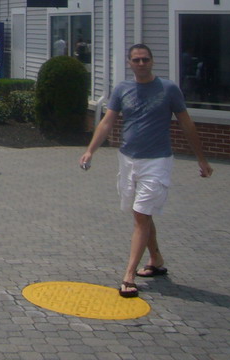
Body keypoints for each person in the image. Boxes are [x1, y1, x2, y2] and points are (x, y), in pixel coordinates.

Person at [80, 43, 213, 298]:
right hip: (128, 160)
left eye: (145, 59)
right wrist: (90, 150)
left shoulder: (168, 89)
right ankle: (156, 260)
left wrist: (201, 160)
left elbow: (186, 124)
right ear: (130, 63)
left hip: (157, 161)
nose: (141, 64)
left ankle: (128, 275)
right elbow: (107, 122)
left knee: (141, 214)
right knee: (141, 214)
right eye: (136, 60)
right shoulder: (122, 89)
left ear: (152, 61)